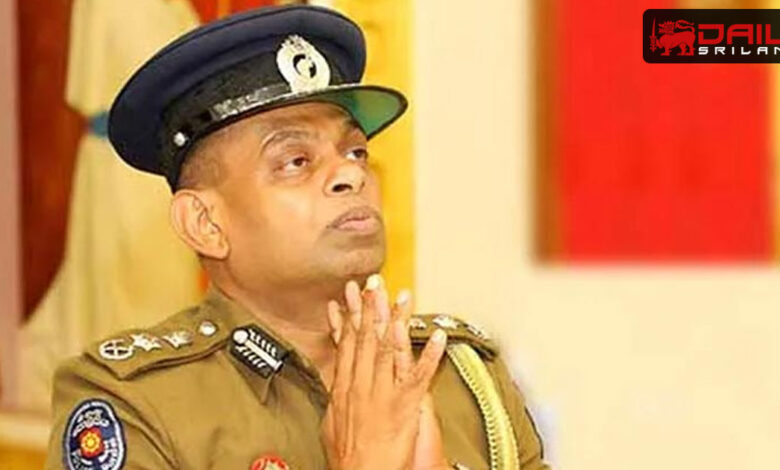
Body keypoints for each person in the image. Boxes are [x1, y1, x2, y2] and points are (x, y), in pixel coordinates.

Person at [46, 5, 549, 470]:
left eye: (355, 152)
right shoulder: (137, 402)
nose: (350, 175)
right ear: (205, 223)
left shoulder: (462, 376)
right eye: (295, 161)